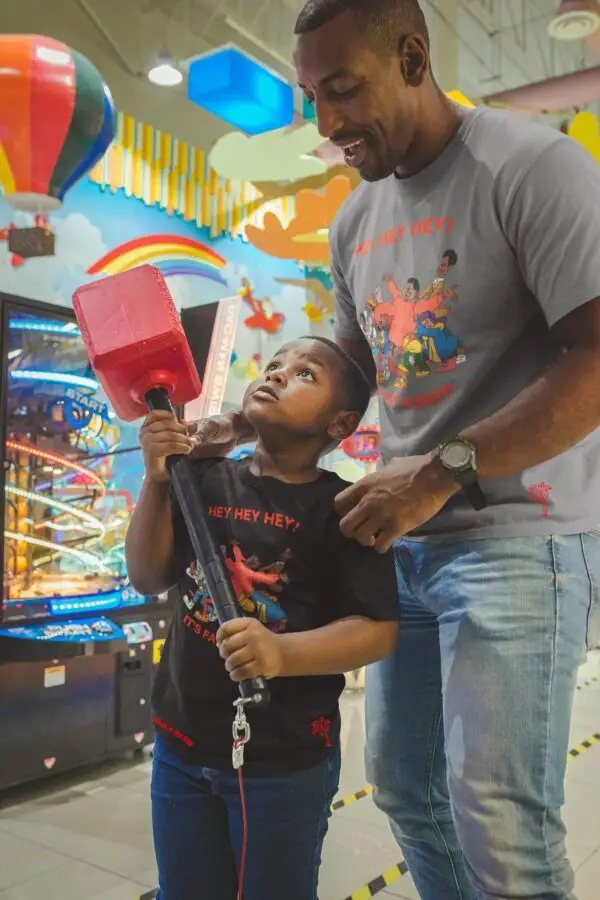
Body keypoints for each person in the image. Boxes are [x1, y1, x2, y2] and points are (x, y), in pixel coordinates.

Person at [191, 2, 600, 898]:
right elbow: (356, 361)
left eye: (343, 91)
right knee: (410, 792)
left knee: (498, 812)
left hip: (520, 541)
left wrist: (444, 470)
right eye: (311, 99)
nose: (327, 124)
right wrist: (253, 418)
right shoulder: (353, 220)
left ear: (412, 56)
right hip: (403, 541)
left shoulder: (534, 168)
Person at [125, 336, 400, 900]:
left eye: (304, 374)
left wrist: (282, 654)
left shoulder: (345, 509)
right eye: (274, 364)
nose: (276, 374)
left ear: (340, 424)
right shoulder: (201, 477)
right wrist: (156, 480)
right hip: (180, 743)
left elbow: (377, 630)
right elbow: (148, 575)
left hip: (283, 764)